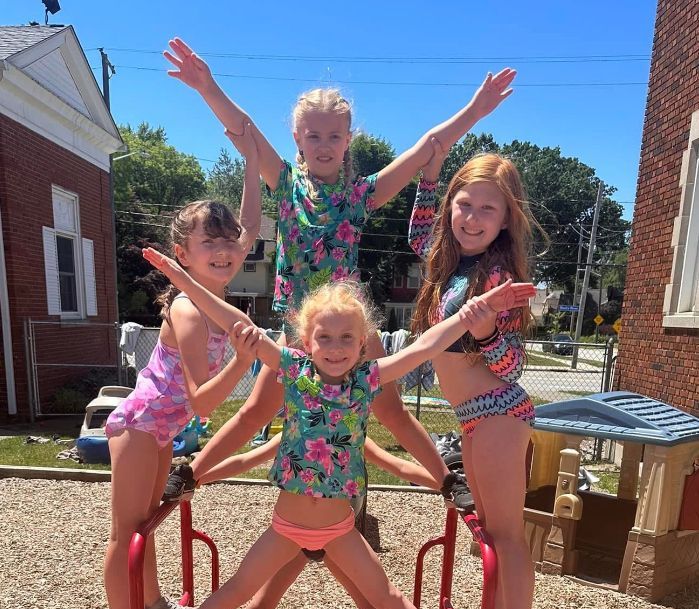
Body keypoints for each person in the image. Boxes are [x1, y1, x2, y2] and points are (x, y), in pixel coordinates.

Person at [134, 253, 534, 609]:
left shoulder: (366, 379)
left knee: (387, 600)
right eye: (325, 337)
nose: (336, 346)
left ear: (363, 342)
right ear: (307, 340)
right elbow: (232, 321)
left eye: (347, 337)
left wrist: (474, 312)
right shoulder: (292, 370)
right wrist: (181, 278)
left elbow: (426, 346)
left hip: (340, 529)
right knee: (235, 592)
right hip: (286, 527)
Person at [160, 38, 515, 503]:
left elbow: (429, 146)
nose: (323, 145)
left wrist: (475, 109)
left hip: (350, 324)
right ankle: (189, 473)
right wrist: (207, 87)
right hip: (298, 327)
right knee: (255, 411)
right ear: (297, 140)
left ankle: (449, 481)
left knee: (392, 411)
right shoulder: (286, 185)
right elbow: (243, 126)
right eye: (313, 135)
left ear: (349, 141)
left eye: (333, 136)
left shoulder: (360, 196)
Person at [100, 127, 260, 609]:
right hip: (143, 424)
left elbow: (252, 224)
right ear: (182, 254)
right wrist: (242, 361)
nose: (223, 250)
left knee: (148, 524)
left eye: (228, 241)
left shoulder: (215, 298)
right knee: (128, 531)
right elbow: (204, 402)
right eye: (207, 242)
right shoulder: (192, 310)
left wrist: (252, 162)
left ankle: (151, 605)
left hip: (163, 427)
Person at [409, 148, 541, 609]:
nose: (472, 218)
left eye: (488, 210)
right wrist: (433, 165)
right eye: (464, 205)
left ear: (507, 219)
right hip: (476, 419)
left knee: (506, 534)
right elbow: (419, 232)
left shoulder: (495, 278)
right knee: (489, 532)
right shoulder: (447, 260)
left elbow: (510, 366)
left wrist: (485, 329)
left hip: (497, 414)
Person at [184, 432, 452, 609]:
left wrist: (447, 484)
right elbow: (245, 460)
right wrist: (196, 478)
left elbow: (398, 465)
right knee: (259, 607)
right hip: (295, 535)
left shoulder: (353, 436)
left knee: (374, 606)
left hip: (336, 536)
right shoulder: (294, 434)